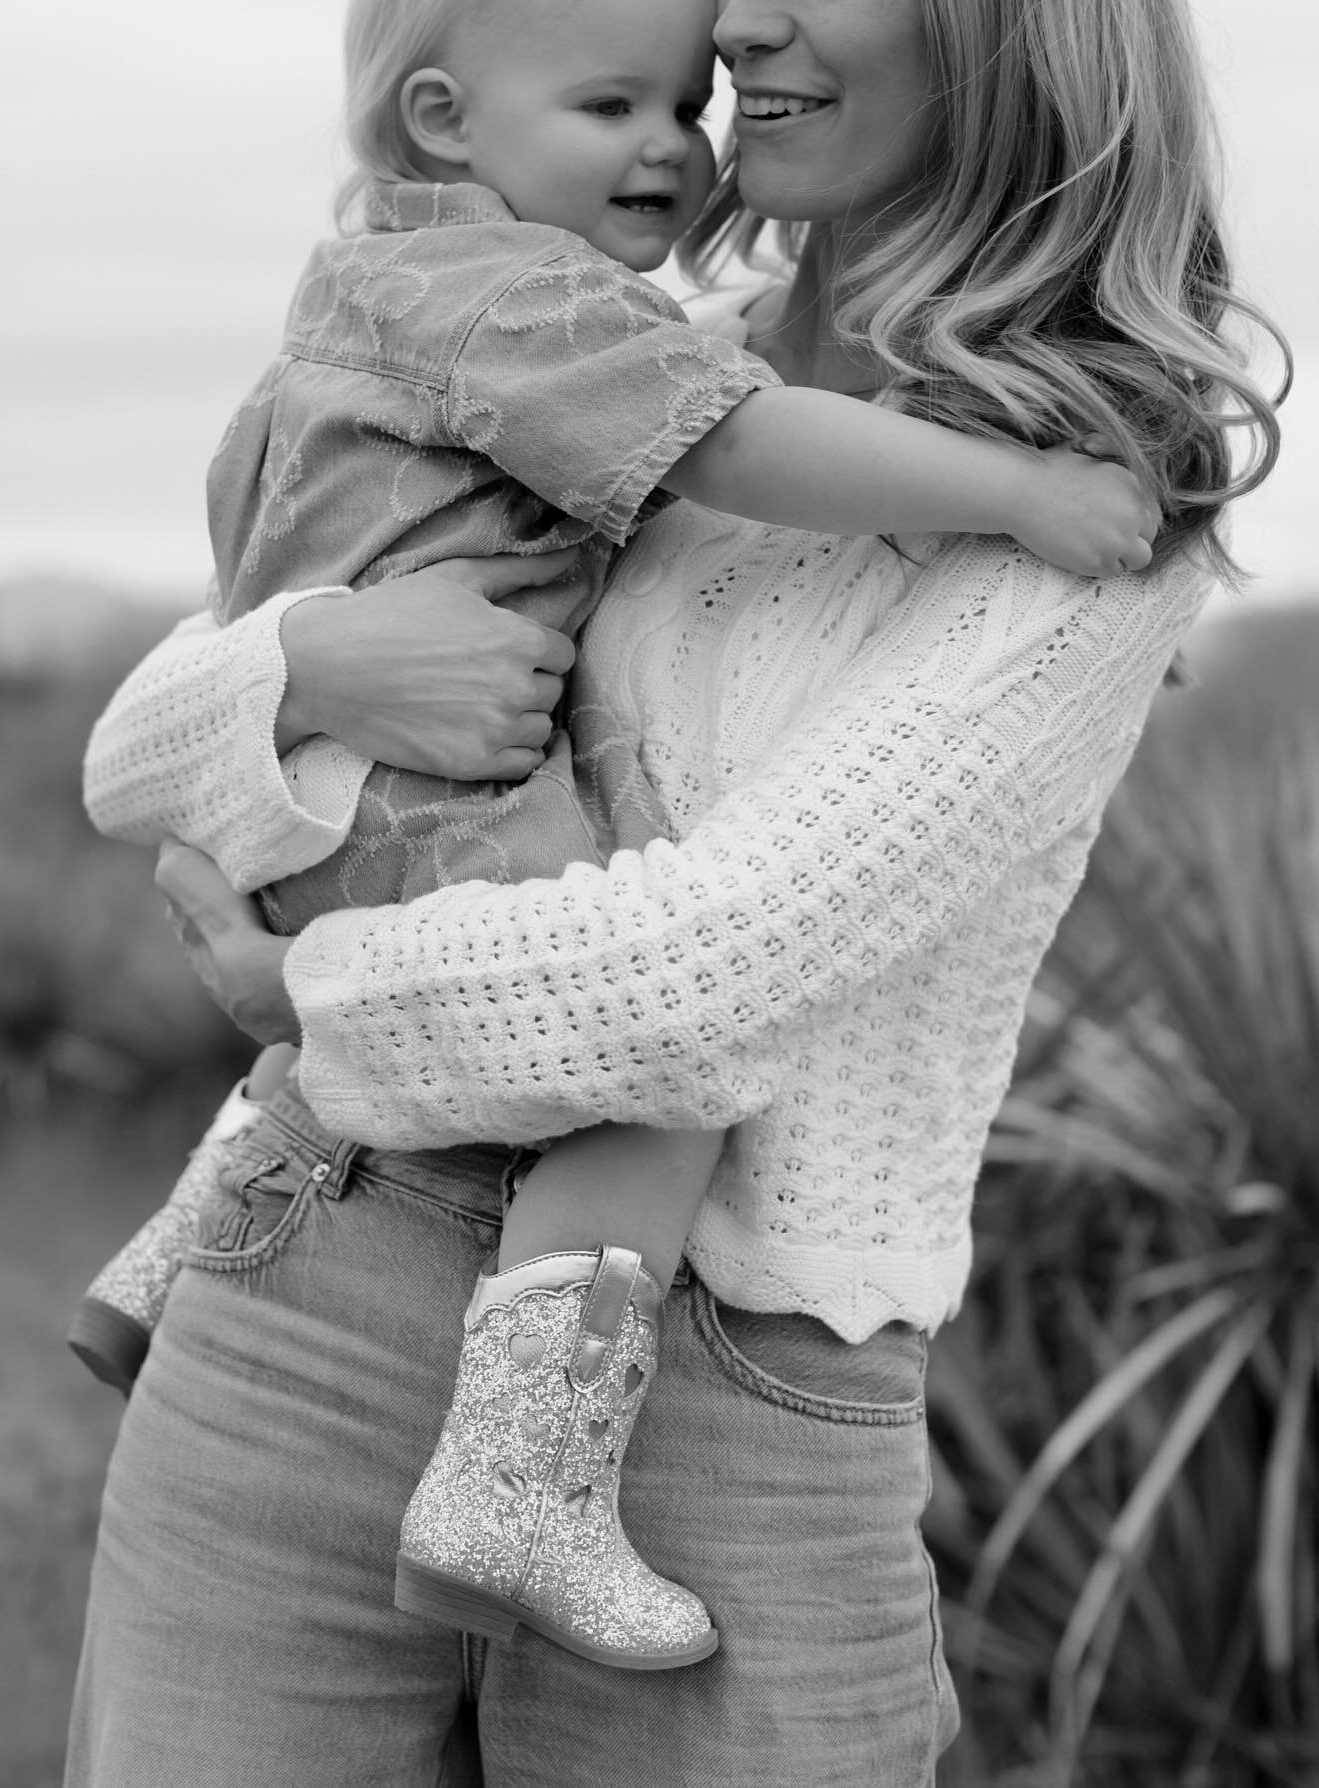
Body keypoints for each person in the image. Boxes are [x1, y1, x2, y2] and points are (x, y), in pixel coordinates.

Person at [68, 0, 1283, 1778]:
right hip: (314, 1295)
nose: (742, 19)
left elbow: (698, 979)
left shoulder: (1096, 489)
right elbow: (136, 758)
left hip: (733, 1405)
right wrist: (323, 659)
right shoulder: (603, 343)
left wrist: (298, 998)